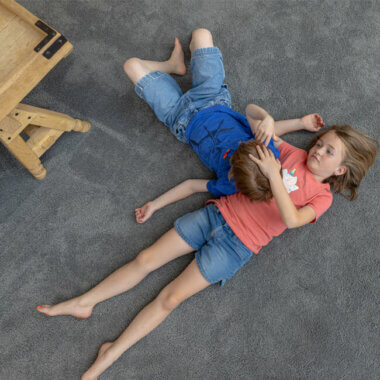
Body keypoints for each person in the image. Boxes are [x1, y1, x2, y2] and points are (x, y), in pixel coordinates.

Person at [35, 30, 379, 379]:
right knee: (145, 259)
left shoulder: (321, 197)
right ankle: (85, 302)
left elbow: (290, 220)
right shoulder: (294, 152)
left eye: (327, 151)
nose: (317, 150)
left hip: (237, 246)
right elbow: (251, 117)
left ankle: (111, 354)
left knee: (170, 298)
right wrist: (273, 121)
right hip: (216, 212)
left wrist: (274, 174)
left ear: (340, 170)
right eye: (320, 142)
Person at [121, 29, 325, 223]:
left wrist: (155, 205)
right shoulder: (267, 151)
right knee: (201, 34)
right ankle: (173, 66)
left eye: (230, 171)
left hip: (180, 119)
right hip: (211, 97)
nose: (228, 169)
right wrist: (272, 119)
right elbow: (250, 110)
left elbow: (191, 186)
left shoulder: (229, 185)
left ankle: (171, 66)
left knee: (131, 65)